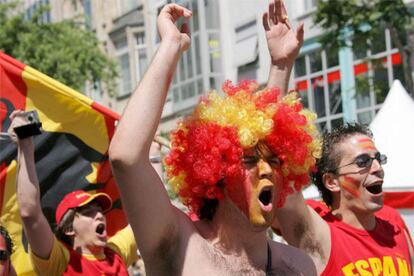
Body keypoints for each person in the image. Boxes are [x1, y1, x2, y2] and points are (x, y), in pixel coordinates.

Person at [109, 0, 319, 275]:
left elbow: (266, 127)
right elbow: (126, 157)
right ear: (216, 173)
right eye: (248, 160)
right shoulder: (182, 247)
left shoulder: (299, 266)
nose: (267, 170)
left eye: (276, 160)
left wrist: (280, 67)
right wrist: (170, 46)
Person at [7, 110, 138, 275]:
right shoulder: (60, 261)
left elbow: (148, 217)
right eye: (89, 213)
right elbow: (30, 213)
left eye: (99, 210)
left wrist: (152, 154)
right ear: (69, 228)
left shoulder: (116, 253)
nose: (99, 216)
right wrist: (25, 145)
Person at [273, 123, 414, 275]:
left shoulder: (397, 233)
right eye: (362, 161)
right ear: (331, 182)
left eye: (379, 159)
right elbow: (286, 188)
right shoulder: (321, 237)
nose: (378, 168)